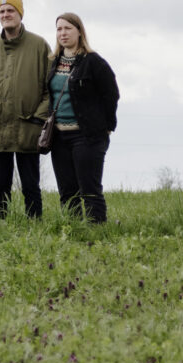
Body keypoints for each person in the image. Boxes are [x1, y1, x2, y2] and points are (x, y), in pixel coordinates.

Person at [0, 0, 52, 219]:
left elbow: (51, 87)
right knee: (0, 186)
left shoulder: (39, 45)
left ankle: (35, 226)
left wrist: (39, 117)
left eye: (10, 11)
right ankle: (0, 226)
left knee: (31, 186)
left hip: (28, 129)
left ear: (20, 14)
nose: (6, 15)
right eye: (1, 12)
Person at [43, 13, 120, 223]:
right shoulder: (54, 62)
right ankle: (72, 231)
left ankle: (97, 231)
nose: (63, 33)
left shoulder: (93, 62)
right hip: (59, 137)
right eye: (59, 29)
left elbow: (111, 94)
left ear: (79, 31)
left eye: (68, 28)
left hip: (87, 136)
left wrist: (108, 126)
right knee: (67, 191)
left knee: (90, 189)